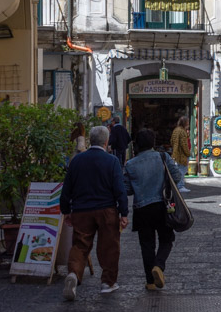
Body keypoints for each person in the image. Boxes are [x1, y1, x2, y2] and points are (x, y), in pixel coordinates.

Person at [61, 125, 128, 299]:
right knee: (109, 246)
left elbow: (67, 188)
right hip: (107, 210)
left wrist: (66, 210)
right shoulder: (112, 161)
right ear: (106, 142)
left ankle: (74, 274)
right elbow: (119, 189)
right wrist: (124, 212)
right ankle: (108, 282)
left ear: (90, 140)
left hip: (81, 210)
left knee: (80, 245)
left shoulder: (77, 160)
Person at [124, 128, 183, 291]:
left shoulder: (130, 164)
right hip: (162, 205)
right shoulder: (163, 157)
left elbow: (127, 189)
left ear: (136, 145)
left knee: (146, 244)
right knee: (166, 239)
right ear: (153, 143)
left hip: (142, 208)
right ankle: (159, 265)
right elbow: (177, 177)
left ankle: (150, 281)